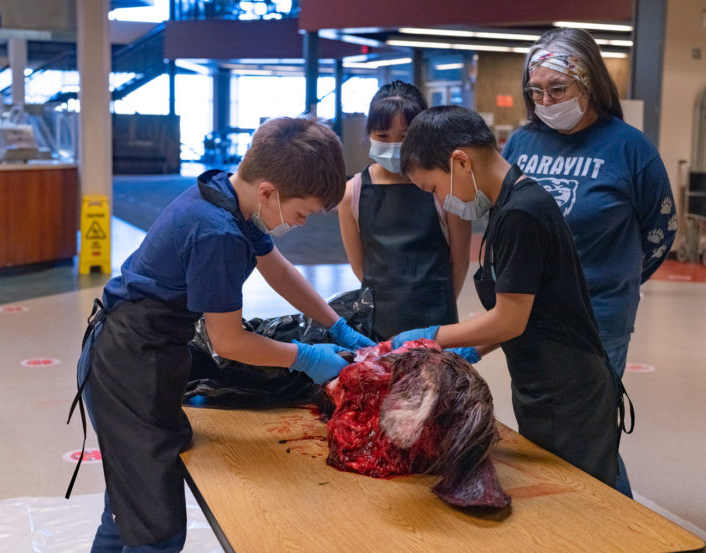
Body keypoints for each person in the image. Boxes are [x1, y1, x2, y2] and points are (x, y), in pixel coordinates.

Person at [68, 117, 374, 552]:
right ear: (268, 191)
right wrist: (306, 356)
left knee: (129, 504)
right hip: (128, 363)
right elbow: (228, 342)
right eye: (302, 213)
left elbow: (279, 271)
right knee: (153, 527)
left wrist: (337, 326)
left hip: (143, 349)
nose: (303, 224)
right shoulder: (218, 233)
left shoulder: (229, 195)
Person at [393, 105, 629, 491]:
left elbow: (510, 320)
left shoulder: (522, 213)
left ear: (460, 162)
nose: (440, 201)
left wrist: (430, 336)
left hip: (568, 392)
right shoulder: (510, 204)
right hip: (545, 381)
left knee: (587, 506)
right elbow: (526, 310)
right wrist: (470, 349)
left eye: (434, 188)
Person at [501, 28, 676, 497]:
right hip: (528, 310)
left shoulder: (630, 148)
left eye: (558, 89)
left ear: (590, 84)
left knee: (591, 427)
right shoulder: (521, 144)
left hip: (600, 314)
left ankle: (620, 525)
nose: (546, 100)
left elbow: (659, 232)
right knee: (544, 423)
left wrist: (617, 283)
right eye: (536, 91)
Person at [337, 80, 471, 341]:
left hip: (437, 319)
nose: (394, 144)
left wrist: (440, 307)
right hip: (378, 321)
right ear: (369, 134)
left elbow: (460, 260)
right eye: (383, 136)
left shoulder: (445, 187)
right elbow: (360, 266)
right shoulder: (351, 193)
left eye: (404, 136)